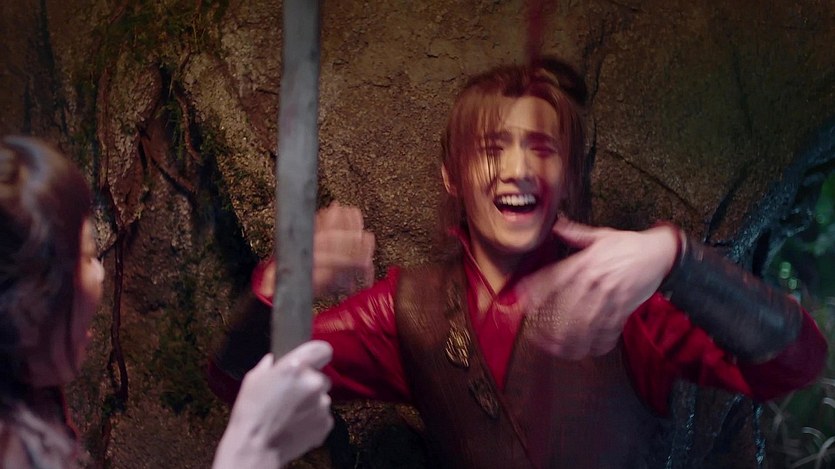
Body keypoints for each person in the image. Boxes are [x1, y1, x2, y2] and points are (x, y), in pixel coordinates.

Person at [208, 58, 828, 467]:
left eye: (542, 148)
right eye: (491, 147)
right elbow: (244, 386)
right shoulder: (409, 310)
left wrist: (676, 258)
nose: (518, 169)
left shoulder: (623, 289)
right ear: (452, 175)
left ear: (570, 175)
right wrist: (283, 285)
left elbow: (795, 361)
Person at [0, 136, 334, 469]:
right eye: (86, 256)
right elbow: (228, 374)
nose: (100, 273)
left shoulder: (32, 400)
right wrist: (246, 454)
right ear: (25, 304)